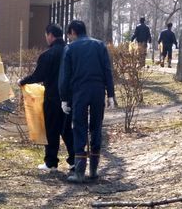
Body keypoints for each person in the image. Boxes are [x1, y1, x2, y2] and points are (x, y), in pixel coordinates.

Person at [59, 20, 115, 183]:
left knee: (79, 128)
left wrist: (64, 98)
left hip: (80, 92)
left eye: (69, 34)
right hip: (98, 91)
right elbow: (107, 71)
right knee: (96, 126)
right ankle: (94, 170)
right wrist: (110, 94)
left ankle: (79, 172)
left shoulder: (70, 48)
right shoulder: (100, 45)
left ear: (73, 32)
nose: (69, 38)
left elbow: (65, 77)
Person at [18, 23, 75, 172]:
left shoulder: (48, 54)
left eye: (46, 35)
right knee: (67, 129)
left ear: (50, 35)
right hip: (70, 97)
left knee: (51, 130)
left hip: (52, 97)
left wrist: (23, 81)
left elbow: (39, 75)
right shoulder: (71, 51)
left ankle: (51, 162)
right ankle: (74, 160)